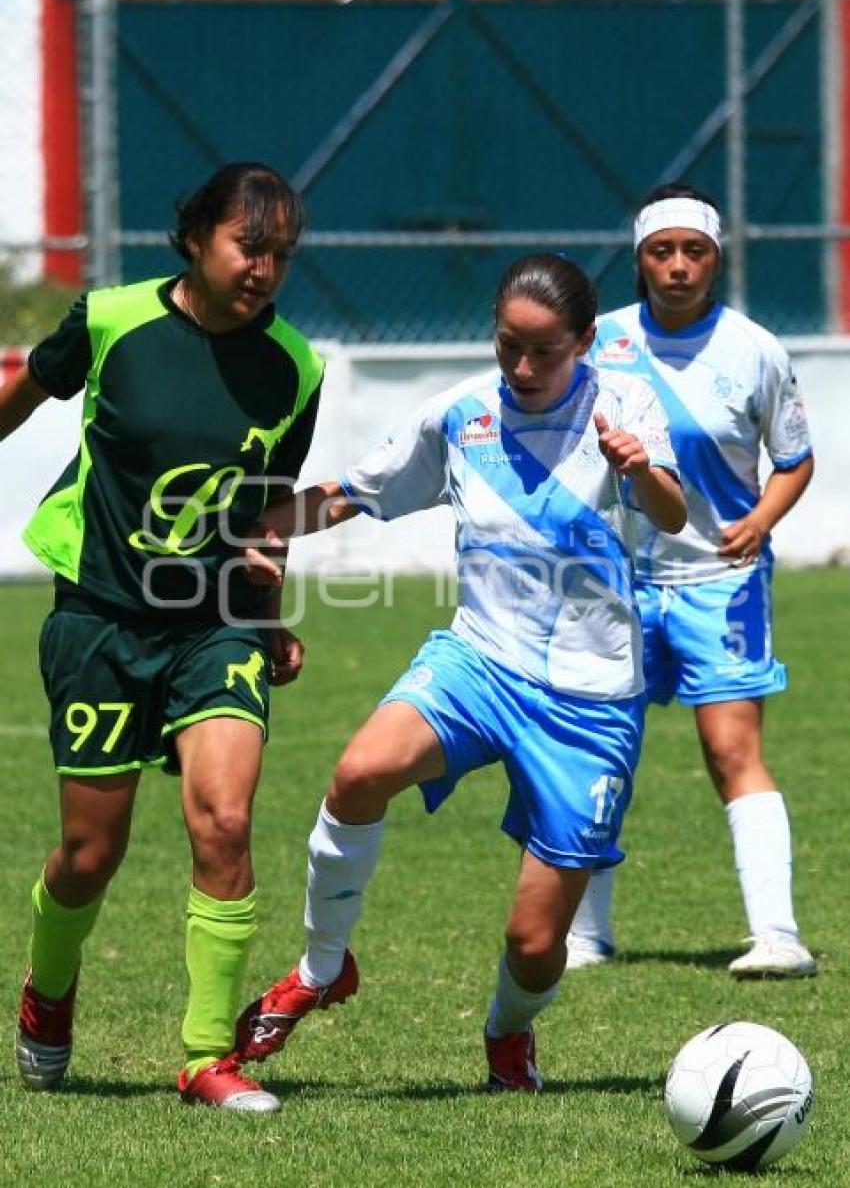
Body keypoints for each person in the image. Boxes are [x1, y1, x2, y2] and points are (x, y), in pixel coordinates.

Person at [226, 253, 686, 1091]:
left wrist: (639, 469)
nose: (522, 367)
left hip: (591, 699)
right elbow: (356, 492)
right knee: (360, 771)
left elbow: (671, 511)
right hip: (478, 660)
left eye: (545, 351)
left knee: (535, 944)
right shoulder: (463, 413)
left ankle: (508, 1032)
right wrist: (257, 524)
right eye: (509, 344)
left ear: (586, 341)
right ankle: (321, 966)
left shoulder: (625, 407)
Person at [0, 162, 325, 1111]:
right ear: (196, 237)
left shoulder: (294, 367)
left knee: (224, 819)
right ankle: (46, 995)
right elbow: (31, 390)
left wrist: (268, 622)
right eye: (247, 245)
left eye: (280, 254)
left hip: (212, 623)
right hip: (99, 617)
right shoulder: (111, 320)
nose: (263, 267)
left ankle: (204, 1058)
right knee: (89, 855)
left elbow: (265, 513)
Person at [567, 183, 817, 979]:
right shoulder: (595, 343)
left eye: (695, 251)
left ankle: (777, 934)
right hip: (616, 584)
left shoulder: (755, 349)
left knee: (730, 748)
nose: (678, 267)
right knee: (599, 747)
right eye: (661, 251)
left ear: (717, 259)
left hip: (721, 578)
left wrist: (763, 518)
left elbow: (795, 455)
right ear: (640, 260)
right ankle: (584, 935)